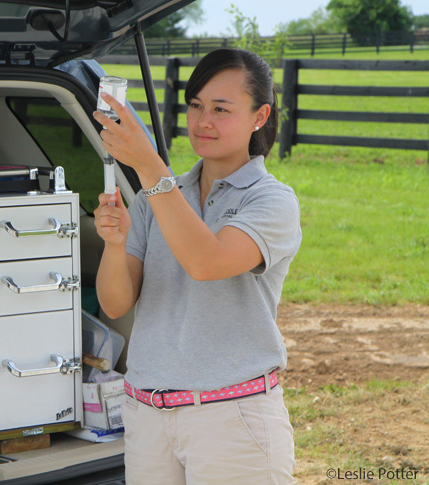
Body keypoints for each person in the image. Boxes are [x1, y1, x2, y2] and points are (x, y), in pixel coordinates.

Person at [92, 48, 301, 484]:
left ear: (259, 116)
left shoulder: (271, 201)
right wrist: (114, 245)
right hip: (147, 416)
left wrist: (150, 167)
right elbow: (114, 304)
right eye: (195, 106)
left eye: (221, 109)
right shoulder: (158, 197)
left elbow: (207, 262)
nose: (203, 121)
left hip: (232, 419)